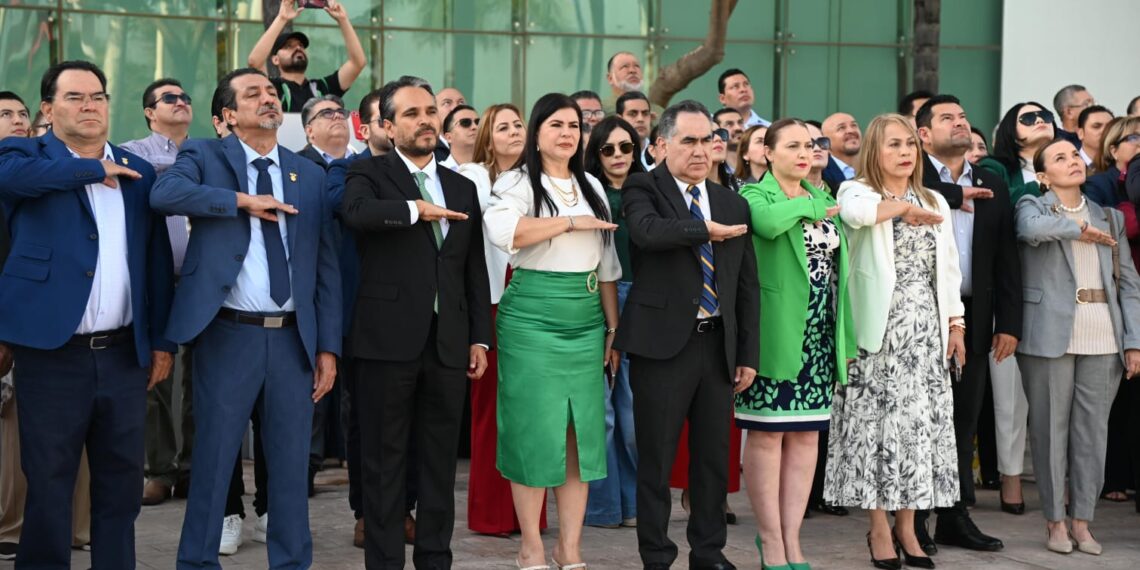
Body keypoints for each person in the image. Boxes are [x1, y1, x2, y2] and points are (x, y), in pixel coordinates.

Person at [151, 67, 341, 568]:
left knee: (290, 466)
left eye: (272, 92)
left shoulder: (310, 175)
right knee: (213, 461)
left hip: (293, 342)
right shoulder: (204, 155)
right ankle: (195, 561)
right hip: (226, 334)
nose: (268, 98)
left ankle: (291, 562)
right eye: (253, 93)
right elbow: (164, 195)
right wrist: (240, 201)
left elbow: (325, 267)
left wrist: (327, 347)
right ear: (228, 116)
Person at [0, 59, 175, 568]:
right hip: (52, 356)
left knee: (121, 488)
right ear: (48, 108)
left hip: (123, 356)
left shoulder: (138, 172)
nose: (89, 106)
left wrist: (161, 341)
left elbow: (155, 263)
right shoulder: (23, 154)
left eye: (97, 96)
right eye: (74, 97)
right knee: (50, 484)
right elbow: (10, 179)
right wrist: (93, 168)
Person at [342, 75, 491, 569]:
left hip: (448, 345)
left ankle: (435, 561)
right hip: (385, 342)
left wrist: (479, 339)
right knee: (384, 466)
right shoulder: (368, 174)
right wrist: (414, 209)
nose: (426, 120)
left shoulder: (463, 186)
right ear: (385, 126)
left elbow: (472, 269)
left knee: (438, 467)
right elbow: (356, 213)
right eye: (411, 113)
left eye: (430, 111)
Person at [616, 99, 759, 570]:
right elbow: (648, 232)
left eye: (708, 141)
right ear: (661, 145)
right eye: (689, 141)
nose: (701, 151)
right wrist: (702, 230)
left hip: (717, 346)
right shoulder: (643, 186)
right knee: (655, 460)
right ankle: (657, 556)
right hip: (662, 346)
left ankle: (708, 553)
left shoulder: (732, 201)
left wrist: (747, 353)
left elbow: (745, 285)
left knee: (713, 460)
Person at [483, 92, 620, 570]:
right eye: (556, 125)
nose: (567, 133)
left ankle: (571, 548)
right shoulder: (517, 182)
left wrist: (612, 328)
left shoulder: (593, 187)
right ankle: (532, 547)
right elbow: (508, 234)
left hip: (585, 318)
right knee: (534, 432)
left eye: (574, 126)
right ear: (537, 133)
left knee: (580, 435)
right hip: (532, 317)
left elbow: (607, 266)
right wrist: (567, 223)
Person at [827, 113, 965, 570]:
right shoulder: (856, 189)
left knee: (917, 432)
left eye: (910, 143)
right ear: (874, 151)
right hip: (875, 333)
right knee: (876, 431)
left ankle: (909, 527)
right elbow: (859, 215)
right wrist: (902, 208)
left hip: (925, 330)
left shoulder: (935, 200)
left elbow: (947, 271)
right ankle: (879, 528)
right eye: (893, 145)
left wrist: (956, 325)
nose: (905, 152)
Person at [735, 118, 854, 570]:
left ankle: (792, 538)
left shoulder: (821, 196)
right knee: (767, 436)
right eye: (794, 145)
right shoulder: (754, 195)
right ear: (766, 152)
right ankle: (769, 539)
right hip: (776, 333)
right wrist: (806, 209)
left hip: (820, 335)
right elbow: (765, 225)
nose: (806, 153)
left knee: (806, 436)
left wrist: (845, 339)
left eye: (811, 145)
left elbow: (840, 274)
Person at [1014, 137, 1140, 556]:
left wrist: (1133, 341)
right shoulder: (1032, 206)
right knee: (1050, 433)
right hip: (1049, 335)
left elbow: (1130, 287)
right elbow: (1030, 232)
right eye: (1060, 158)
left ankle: (1082, 521)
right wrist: (1079, 229)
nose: (1072, 162)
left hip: (1103, 333)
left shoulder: (1109, 216)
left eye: (1075, 156)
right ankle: (1054, 522)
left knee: (1092, 435)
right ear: (1043, 175)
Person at [913, 94, 1022, 554]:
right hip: (918, 319)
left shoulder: (991, 182)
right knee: (919, 422)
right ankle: (912, 519)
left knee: (963, 420)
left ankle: (954, 517)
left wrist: (1009, 323)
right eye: (946, 118)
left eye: (962, 116)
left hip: (975, 317)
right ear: (923, 135)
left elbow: (1006, 261)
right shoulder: (908, 178)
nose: (960, 122)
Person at [456, 103, 547, 538]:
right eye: (503, 126)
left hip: (540, 303)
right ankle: (491, 514)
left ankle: (529, 515)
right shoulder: (471, 179)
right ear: (488, 138)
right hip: (491, 302)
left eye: (519, 124)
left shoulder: (543, 179)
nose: (514, 132)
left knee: (533, 410)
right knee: (490, 410)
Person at [322, 87, 397, 550]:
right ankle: (367, 513)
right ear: (365, 127)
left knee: (410, 422)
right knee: (365, 421)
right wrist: (409, 210)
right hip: (362, 315)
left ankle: (405, 508)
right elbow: (345, 209)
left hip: (418, 314)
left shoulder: (437, 174)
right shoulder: (342, 170)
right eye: (387, 118)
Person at [120, 77, 196, 507]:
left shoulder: (207, 151)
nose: (181, 102)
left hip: (201, 281)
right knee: (157, 377)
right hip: (156, 281)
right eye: (170, 98)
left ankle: (190, 469)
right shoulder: (132, 153)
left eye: (185, 97)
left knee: (199, 379)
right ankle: (160, 470)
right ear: (150, 111)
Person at [582, 115, 645, 531]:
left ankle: (636, 504)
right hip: (594, 297)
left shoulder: (652, 189)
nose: (619, 155)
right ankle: (604, 508)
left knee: (633, 416)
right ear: (597, 154)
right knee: (600, 414)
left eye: (626, 147)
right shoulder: (587, 193)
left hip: (643, 300)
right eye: (609, 149)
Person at [247, 0, 366, 113]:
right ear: (275, 59)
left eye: (301, 45)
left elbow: (358, 63)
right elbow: (254, 62)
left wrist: (343, 19)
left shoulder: (323, 88)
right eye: (289, 46)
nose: (298, 48)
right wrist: (282, 18)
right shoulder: (271, 88)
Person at [978, 101, 1057, 204]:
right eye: (1028, 119)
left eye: (1045, 116)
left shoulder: (1071, 163)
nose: (1039, 120)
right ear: (1012, 132)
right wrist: (1041, 185)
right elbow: (994, 196)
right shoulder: (995, 166)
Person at [298, 94, 355, 168]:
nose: (338, 115)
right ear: (310, 131)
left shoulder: (364, 163)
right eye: (327, 113)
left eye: (341, 112)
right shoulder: (295, 164)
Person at [821, 112, 861, 187]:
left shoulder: (873, 168)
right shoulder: (822, 175)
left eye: (854, 125)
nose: (851, 131)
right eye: (841, 128)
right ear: (826, 141)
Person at [617, 91, 653, 170]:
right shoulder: (611, 154)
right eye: (632, 114)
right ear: (619, 119)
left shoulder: (663, 153)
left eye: (645, 113)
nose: (640, 119)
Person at [434, 87, 467, 162]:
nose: (456, 107)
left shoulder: (479, 148)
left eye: (461, 102)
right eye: (447, 103)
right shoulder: (427, 150)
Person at [440, 104, 479, 169]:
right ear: (448, 137)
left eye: (478, 122)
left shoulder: (492, 170)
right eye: (465, 122)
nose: (474, 127)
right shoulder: (437, 173)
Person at [804, 121, 838, 195]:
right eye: (809, 144)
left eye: (822, 142)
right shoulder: (782, 192)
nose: (817, 148)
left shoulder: (839, 192)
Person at [1077, 105, 1115, 171]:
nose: (1104, 131)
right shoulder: (1070, 165)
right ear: (1081, 133)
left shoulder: (1122, 164)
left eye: (1109, 126)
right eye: (1096, 126)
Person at [714, 108, 746, 172]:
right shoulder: (713, 170)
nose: (738, 128)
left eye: (740, 123)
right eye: (729, 124)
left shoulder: (757, 164)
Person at [709, 124, 739, 192]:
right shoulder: (685, 186)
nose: (718, 138)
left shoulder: (737, 184)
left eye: (721, 133)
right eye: (710, 135)